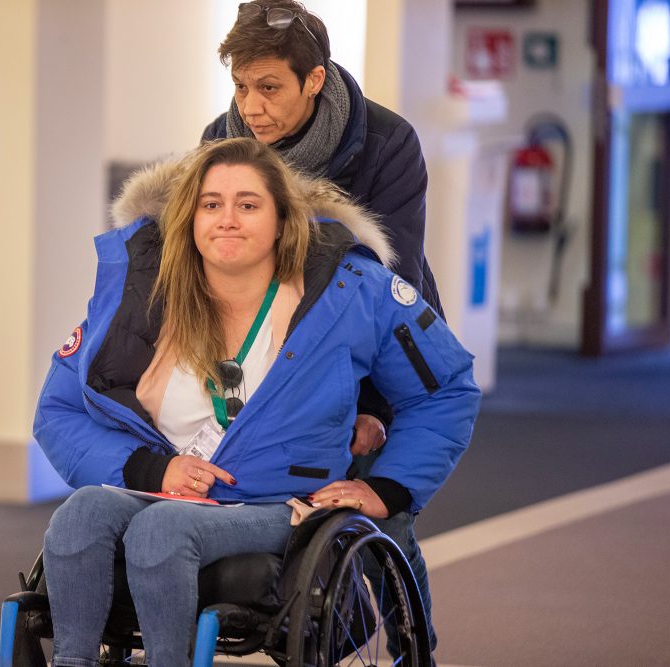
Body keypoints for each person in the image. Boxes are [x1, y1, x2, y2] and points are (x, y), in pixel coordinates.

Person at [35, 137, 479, 666]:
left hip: (279, 502)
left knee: (161, 531)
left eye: (248, 205)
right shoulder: (142, 297)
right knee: (79, 513)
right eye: (210, 204)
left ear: (282, 219)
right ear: (188, 218)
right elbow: (57, 410)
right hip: (167, 492)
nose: (227, 219)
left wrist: (386, 486)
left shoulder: (350, 289)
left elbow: (446, 389)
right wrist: (149, 468)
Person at [201, 0, 446, 646]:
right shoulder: (220, 147)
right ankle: (334, 629)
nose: (250, 107)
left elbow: (391, 286)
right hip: (264, 360)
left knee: (378, 526)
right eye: (240, 87)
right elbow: (215, 287)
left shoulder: (387, 145)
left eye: (269, 88)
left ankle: (413, 645)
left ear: (314, 79)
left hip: (380, 354)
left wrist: (371, 411)